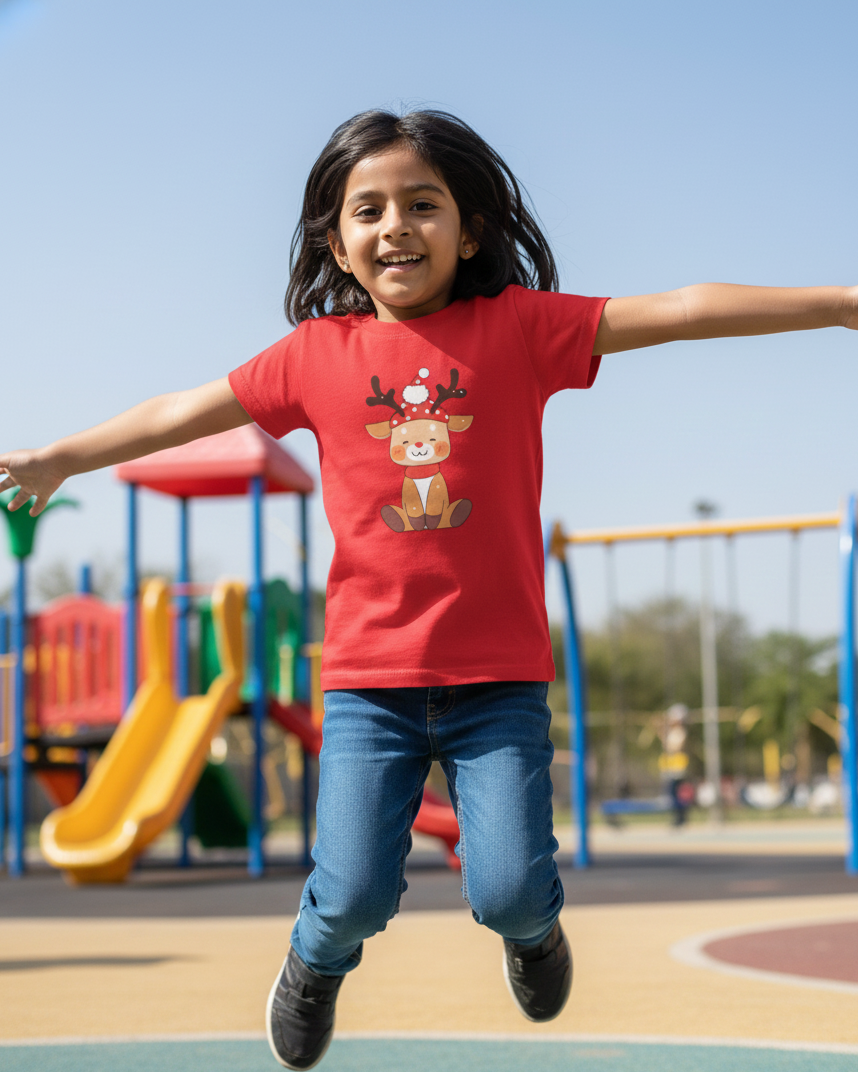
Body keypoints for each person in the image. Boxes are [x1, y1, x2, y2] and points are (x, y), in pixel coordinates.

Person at [1, 109, 855, 1070]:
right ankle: (312, 963)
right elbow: (181, 411)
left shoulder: (521, 330)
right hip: (372, 685)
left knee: (508, 890)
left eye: (423, 204)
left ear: (470, 228)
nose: (396, 226)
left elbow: (685, 307)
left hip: (498, 680)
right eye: (368, 210)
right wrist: (62, 458)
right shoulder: (313, 356)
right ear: (337, 240)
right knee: (355, 890)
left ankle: (534, 936)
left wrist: (836, 300)